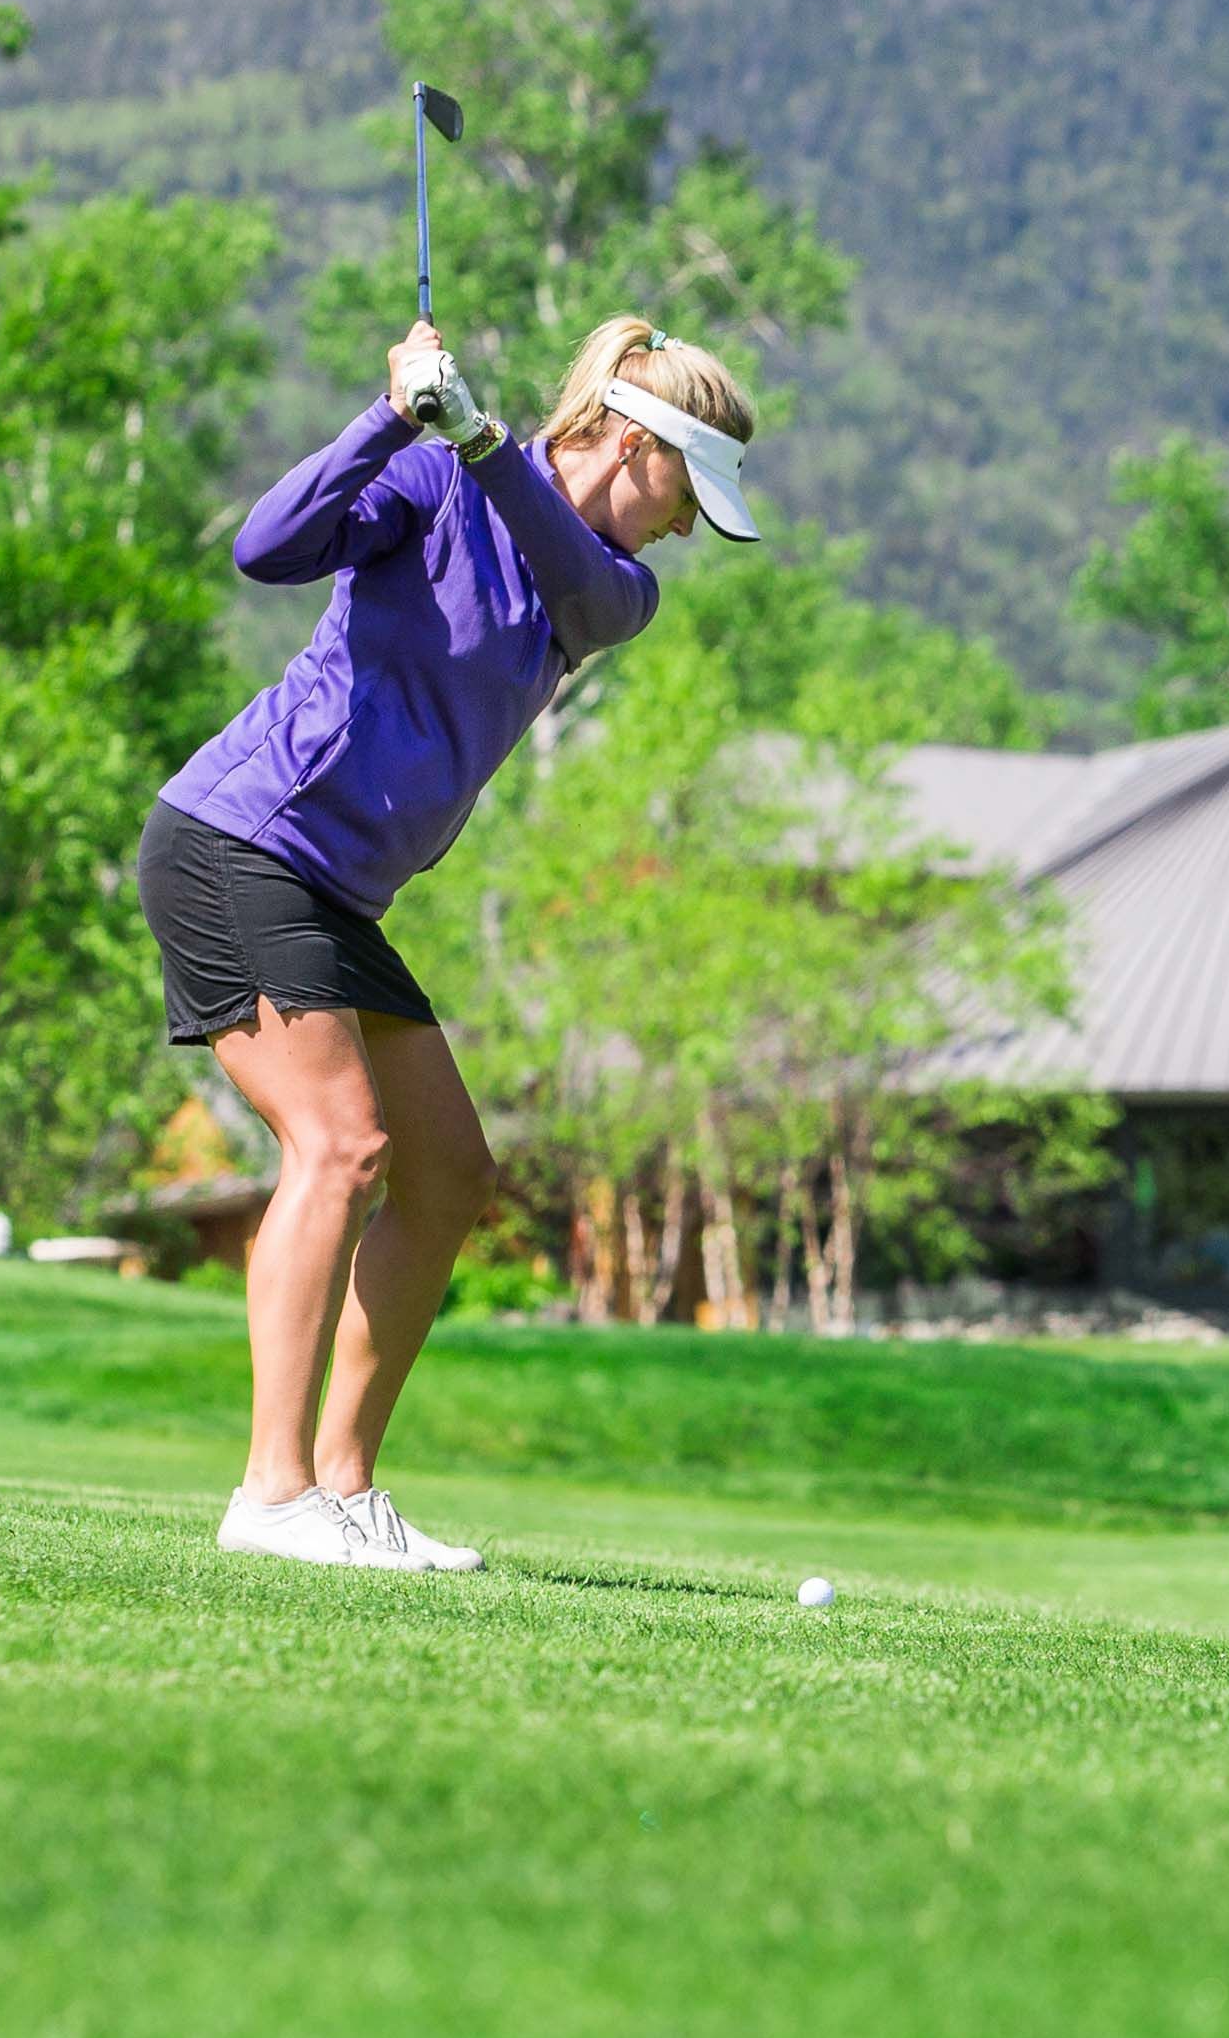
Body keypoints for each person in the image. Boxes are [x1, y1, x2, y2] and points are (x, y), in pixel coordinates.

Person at [139, 312, 763, 1567]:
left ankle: (342, 1487)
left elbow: (557, 555)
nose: (688, 526)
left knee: (450, 1172)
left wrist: (477, 437)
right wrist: (391, 421)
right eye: (688, 490)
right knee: (341, 1144)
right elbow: (267, 549)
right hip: (242, 840)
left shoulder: (608, 589)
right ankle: (269, 1496)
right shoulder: (428, 477)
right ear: (631, 444)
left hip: (336, 895)